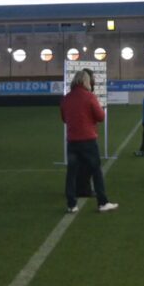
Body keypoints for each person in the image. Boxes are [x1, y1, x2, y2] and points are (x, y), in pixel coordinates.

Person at [60, 70, 117, 212]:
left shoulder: (66, 98)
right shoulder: (89, 97)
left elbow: (64, 118)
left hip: (72, 140)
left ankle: (71, 204)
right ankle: (102, 202)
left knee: (71, 173)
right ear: (85, 81)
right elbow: (100, 116)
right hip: (88, 140)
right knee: (96, 171)